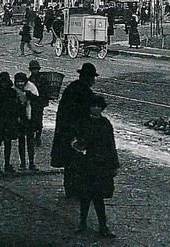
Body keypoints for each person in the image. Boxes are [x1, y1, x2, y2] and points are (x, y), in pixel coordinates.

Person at [51, 62, 99, 198]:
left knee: (70, 163)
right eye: (92, 78)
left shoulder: (71, 87)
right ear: (88, 78)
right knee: (78, 163)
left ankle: (70, 189)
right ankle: (76, 190)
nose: (93, 81)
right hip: (77, 133)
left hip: (66, 131)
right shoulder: (85, 92)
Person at [74, 94, 119, 238]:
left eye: (99, 106)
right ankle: (82, 222)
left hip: (101, 164)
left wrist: (114, 164)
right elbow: (77, 142)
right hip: (86, 163)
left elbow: (111, 145)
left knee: (98, 196)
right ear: (89, 107)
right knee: (85, 195)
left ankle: (103, 226)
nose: (96, 109)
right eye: (93, 106)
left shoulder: (106, 123)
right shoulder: (83, 122)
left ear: (102, 108)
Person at [0, 72, 20, 175]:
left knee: (7, 143)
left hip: (8, 122)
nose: (4, 84)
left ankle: (6, 164)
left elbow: (15, 107)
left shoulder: (11, 93)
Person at [14, 72, 39, 171]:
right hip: (20, 118)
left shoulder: (31, 88)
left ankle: (31, 162)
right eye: (18, 82)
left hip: (30, 118)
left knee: (30, 141)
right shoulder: (14, 91)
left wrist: (29, 95)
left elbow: (36, 102)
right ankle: (23, 162)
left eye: (22, 82)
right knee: (21, 141)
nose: (20, 84)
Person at [28, 59, 46, 146]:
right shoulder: (29, 80)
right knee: (31, 120)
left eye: (36, 69)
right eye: (33, 69)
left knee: (39, 120)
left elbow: (45, 92)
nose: (35, 71)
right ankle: (32, 136)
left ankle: (38, 137)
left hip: (39, 103)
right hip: (32, 103)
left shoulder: (42, 79)